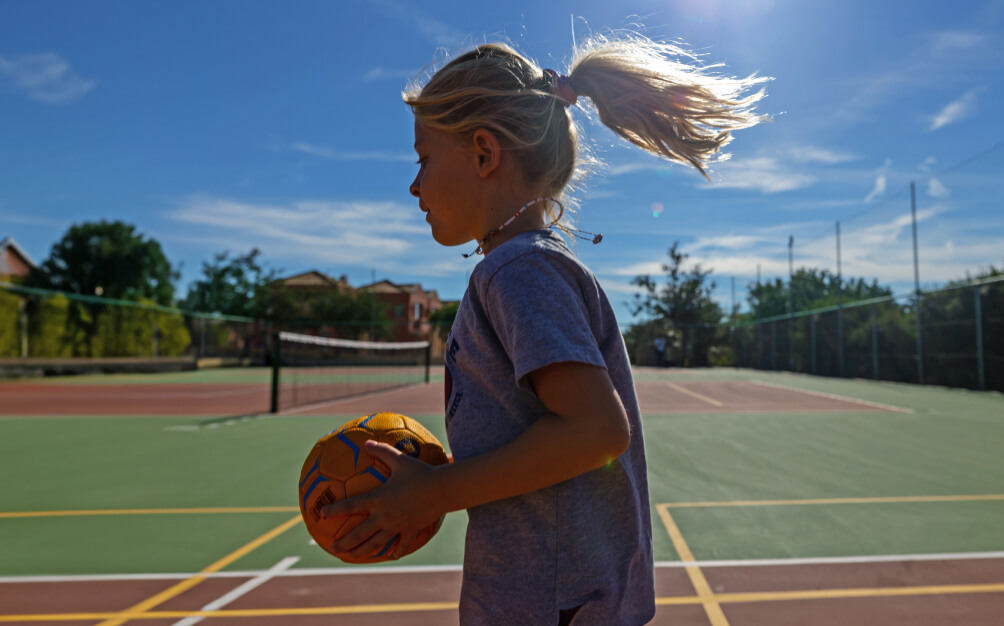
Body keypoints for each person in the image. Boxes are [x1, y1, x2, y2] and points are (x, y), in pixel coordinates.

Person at [321, 32, 769, 625]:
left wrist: (432, 494)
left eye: (424, 158)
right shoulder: (524, 264)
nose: (414, 185)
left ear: (484, 153)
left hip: (553, 605)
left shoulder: (519, 270)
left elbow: (595, 430)